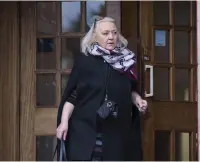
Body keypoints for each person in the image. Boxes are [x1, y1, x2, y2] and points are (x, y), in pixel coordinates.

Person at [56, 16, 148, 161]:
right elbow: (73, 96)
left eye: (114, 32)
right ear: (94, 36)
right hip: (85, 130)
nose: (111, 37)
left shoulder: (126, 61)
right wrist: (64, 122)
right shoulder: (85, 61)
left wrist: (138, 100)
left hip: (115, 130)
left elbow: (129, 90)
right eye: (105, 33)